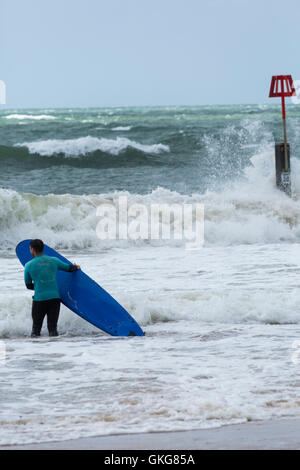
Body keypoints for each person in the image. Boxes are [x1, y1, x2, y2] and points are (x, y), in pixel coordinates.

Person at [24, 239, 80, 337]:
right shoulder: (54, 260)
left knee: (36, 330)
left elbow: (28, 286)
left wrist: (40, 286)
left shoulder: (28, 265)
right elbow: (69, 268)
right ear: (43, 248)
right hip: (54, 299)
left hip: (39, 300)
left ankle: (36, 350)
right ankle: (54, 349)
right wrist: (76, 267)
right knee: (53, 329)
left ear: (32, 249)